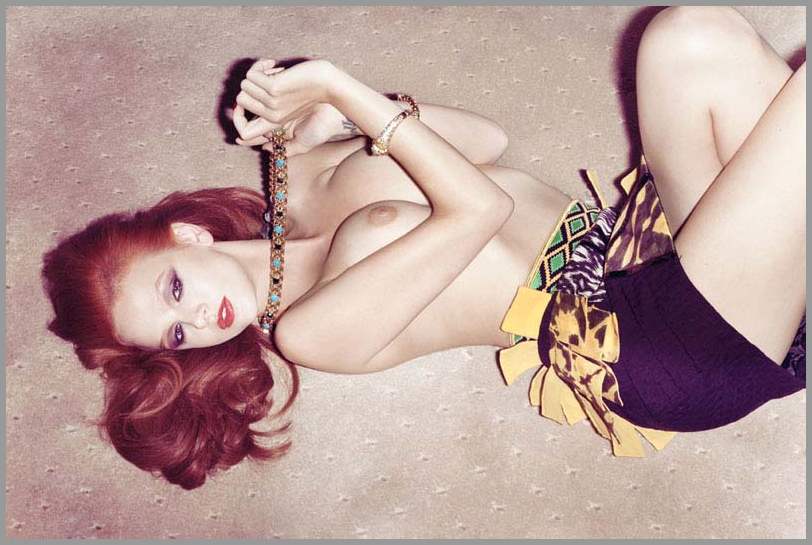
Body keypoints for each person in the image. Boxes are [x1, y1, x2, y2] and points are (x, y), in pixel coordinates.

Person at [42, 7, 805, 488]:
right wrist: (340, 88)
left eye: (175, 289)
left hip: (648, 248)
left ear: (187, 235)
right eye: (177, 335)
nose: (200, 318)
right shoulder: (308, 332)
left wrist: (332, 125)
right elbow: (479, 207)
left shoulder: (298, 186)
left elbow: (484, 141)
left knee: (688, 36)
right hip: (651, 348)